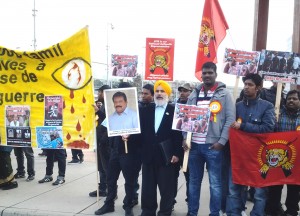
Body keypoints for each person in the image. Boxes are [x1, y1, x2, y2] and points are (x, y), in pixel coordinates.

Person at [182, 62, 235, 216]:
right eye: (204, 73)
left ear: (215, 74)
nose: (206, 75)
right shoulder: (194, 94)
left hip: (213, 146)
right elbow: (186, 118)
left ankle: (214, 213)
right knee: (193, 182)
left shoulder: (225, 94)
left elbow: (230, 119)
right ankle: (192, 213)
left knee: (215, 184)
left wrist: (221, 142)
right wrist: (185, 137)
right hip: (194, 147)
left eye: (209, 73)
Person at [226, 73, 275, 216]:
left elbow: (267, 129)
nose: (246, 87)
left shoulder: (267, 106)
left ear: (258, 88)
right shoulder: (237, 106)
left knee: (259, 192)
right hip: (239, 156)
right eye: (245, 84)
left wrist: (243, 126)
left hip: (259, 157)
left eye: (250, 85)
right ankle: (235, 213)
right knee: (234, 190)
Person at [94, 82, 140, 216]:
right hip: (114, 151)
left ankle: (128, 206)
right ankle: (109, 204)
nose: (118, 104)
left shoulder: (134, 114)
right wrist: (100, 113)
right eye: (115, 102)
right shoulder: (112, 115)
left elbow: (141, 132)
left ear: (126, 101)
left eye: (120, 101)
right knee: (110, 179)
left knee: (129, 181)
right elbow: (105, 125)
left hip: (129, 152)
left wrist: (131, 135)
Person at [138, 80, 182, 216]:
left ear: (168, 93)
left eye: (162, 91)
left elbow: (178, 134)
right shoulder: (146, 110)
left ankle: (165, 212)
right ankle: (147, 211)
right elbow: (140, 131)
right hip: (148, 156)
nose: (159, 93)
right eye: (157, 91)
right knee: (148, 188)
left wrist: (177, 153)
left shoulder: (175, 111)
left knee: (167, 189)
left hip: (167, 156)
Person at [265, 90, 300, 216]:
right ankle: (273, 210)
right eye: (289, 98)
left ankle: (291, 211)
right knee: (275, 186)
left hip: (296, 160)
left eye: (294, 99)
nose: (291, 100)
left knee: (294, 187)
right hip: (278, 157)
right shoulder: (278, 114)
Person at [89, 85, 111, 197]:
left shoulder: (111, 105)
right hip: (100, 141)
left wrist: (98, 112)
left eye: (99, 93)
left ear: (104, 93)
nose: (98, 95)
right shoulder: (103, 105)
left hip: (106, 142)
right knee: (101, 167)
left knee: (107, 168)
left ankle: (110, 190)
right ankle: (102, 188)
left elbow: (109, 120)